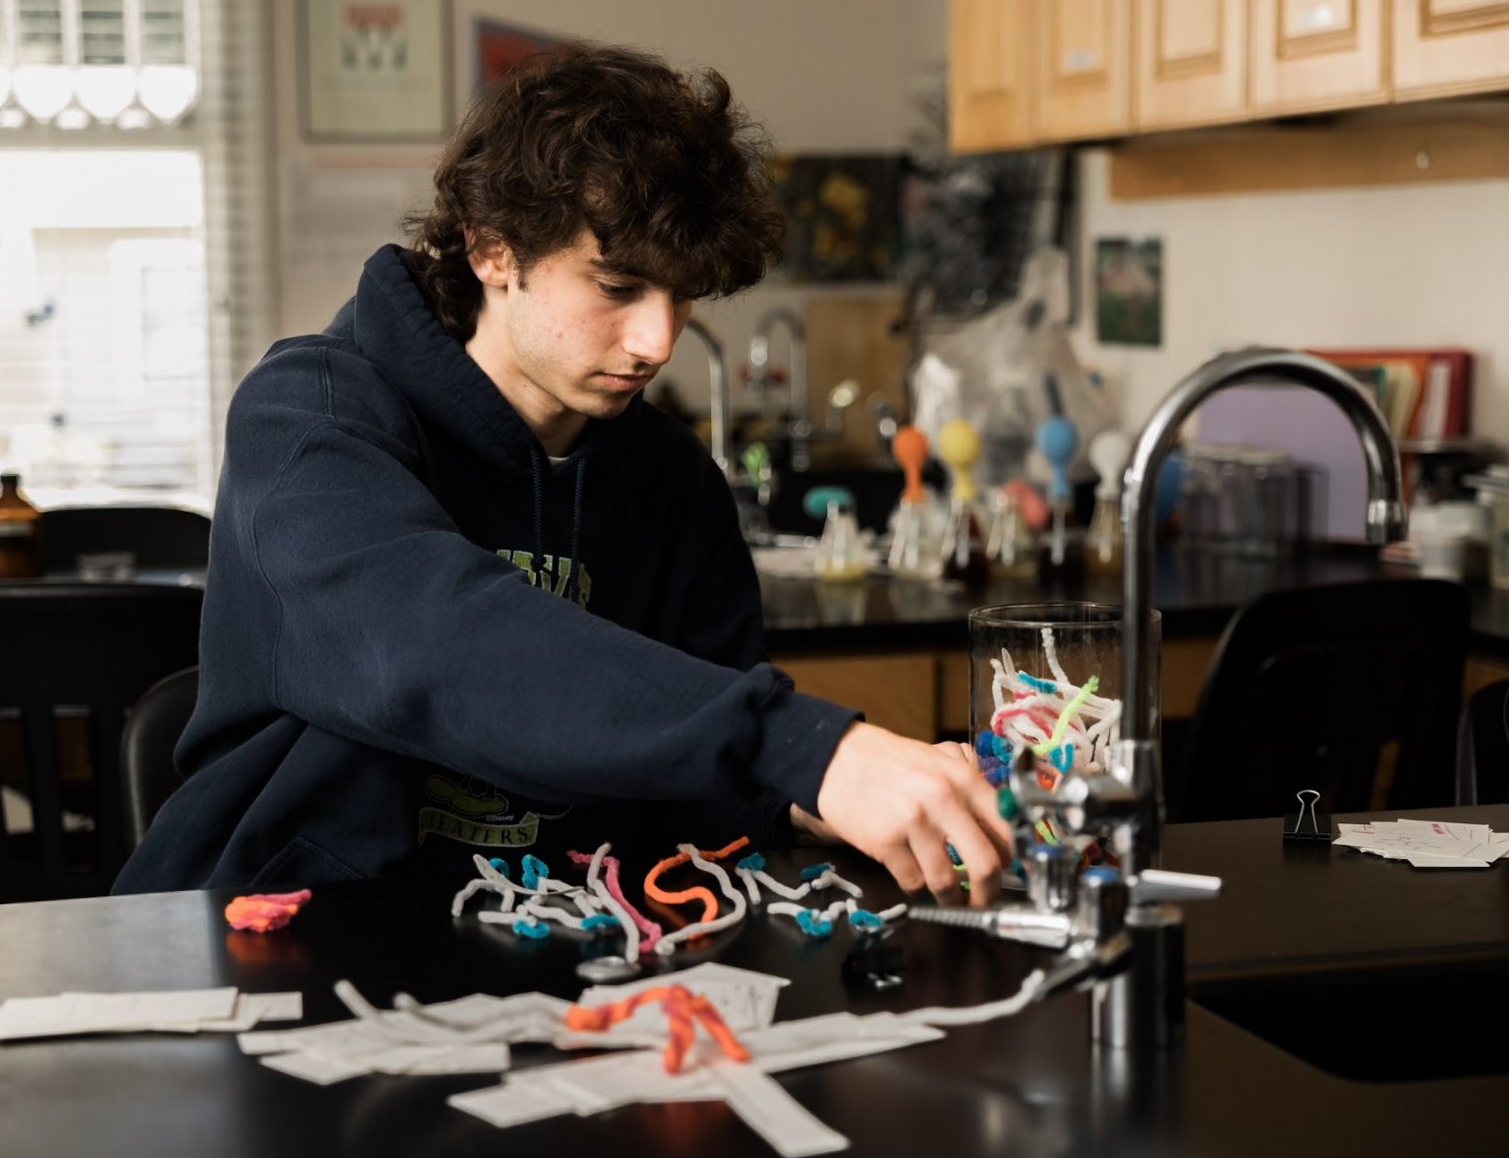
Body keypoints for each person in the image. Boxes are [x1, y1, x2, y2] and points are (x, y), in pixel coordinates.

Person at [114, 44, 1010, 905]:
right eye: (617, 287)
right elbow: (432, 644)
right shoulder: (308, 417)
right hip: (269, 943)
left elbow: (694, 773)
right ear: (492, 250)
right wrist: (811, 749)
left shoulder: (669, 479)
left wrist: (811, 797)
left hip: (549, 949)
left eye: (682, 293)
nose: (659, 341)